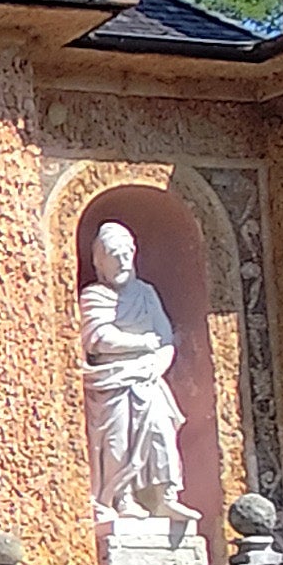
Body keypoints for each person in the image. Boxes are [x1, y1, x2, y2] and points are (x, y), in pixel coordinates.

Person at [78, 221, 189, 535]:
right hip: (111, 382)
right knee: (117, 443)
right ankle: (120, 497)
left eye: (128, 253)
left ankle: (166, 494)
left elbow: (165, 338)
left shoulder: (146, 293)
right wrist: (141, 343)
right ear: (101, 261)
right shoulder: (94, 296)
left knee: (161, 432)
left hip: (148, 378)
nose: (124, 261)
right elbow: (98, 338)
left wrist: (157, 365)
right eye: (116, 255)